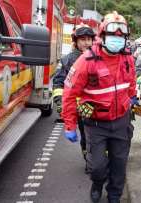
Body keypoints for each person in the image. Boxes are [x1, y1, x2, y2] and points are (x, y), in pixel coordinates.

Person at [61, 11, 136, 203]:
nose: (117, 40)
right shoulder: (85, 61)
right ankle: (97, 183)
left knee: (119, 164)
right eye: (112, 36)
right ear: (102, 36)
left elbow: (131, 82)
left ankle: (114, 195)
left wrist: (132, 98)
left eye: (121, 37)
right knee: (97, 167)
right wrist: (70, 125)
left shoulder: (128, 58)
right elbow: (69, 95)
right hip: (96, 124)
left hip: (121, 121)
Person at [52, 24, 95, 169]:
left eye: (89, 39)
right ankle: (88, 160)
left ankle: (97, 161)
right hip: (77, 107)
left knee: (95, 136)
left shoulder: (99, 58)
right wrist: (60, 103)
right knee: (85, 135)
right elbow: (58, 84)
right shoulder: (67, 60)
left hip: (94, 106)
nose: (87, 43)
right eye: (83, 39)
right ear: (75, 41)